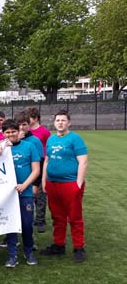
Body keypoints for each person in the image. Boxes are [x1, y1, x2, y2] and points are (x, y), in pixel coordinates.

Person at [40, 110, 88, 263]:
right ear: (54, 123)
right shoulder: (51, 139)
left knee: (74, 217)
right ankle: (58, 245)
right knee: (57, 216)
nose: (60, 122)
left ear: (69, 123)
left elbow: (83, 161)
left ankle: (79, 247)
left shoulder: (75, 138)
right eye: (57, 120)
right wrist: (44, 180)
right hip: (53, 183)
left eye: (63, 120)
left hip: (70, 183)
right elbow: (47, 161)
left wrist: (78, 183)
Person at [2, 119, 40, 268]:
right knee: (11, 225)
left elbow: (36, 170)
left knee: (26, 224)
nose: (11, 134)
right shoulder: (1, 148)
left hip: (26, 193)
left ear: (19, 131)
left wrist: (25, 185)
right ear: (3, 134)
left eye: (13, 131)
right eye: (7, 132)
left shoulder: (29, 146)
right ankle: (12, 255)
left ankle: (28, 251)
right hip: (7, 195)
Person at [26, 107, 52, 233]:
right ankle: (28, 218)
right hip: (29, 164)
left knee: (41, 194)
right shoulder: (25, 131)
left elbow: (49, 146)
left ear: (35, 118)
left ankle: (40, 220)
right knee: (29, 193)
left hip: (41, 164)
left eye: (29, 118)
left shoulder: (44, 131)